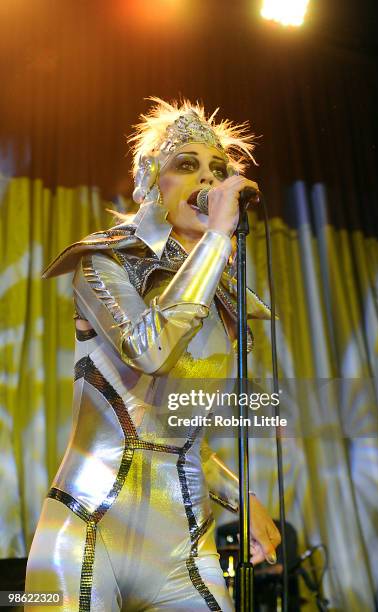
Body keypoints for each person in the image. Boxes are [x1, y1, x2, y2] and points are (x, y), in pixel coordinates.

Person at [25, 97, 281, 611]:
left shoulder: (223, 297)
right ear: (151, 185)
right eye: (186, 166)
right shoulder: (104, 260)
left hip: (184, 543)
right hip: (87, 528)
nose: (206, 181)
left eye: (218, 170)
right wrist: (214, 243)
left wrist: (241, 498)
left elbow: (177, 436)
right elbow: (149, 351)